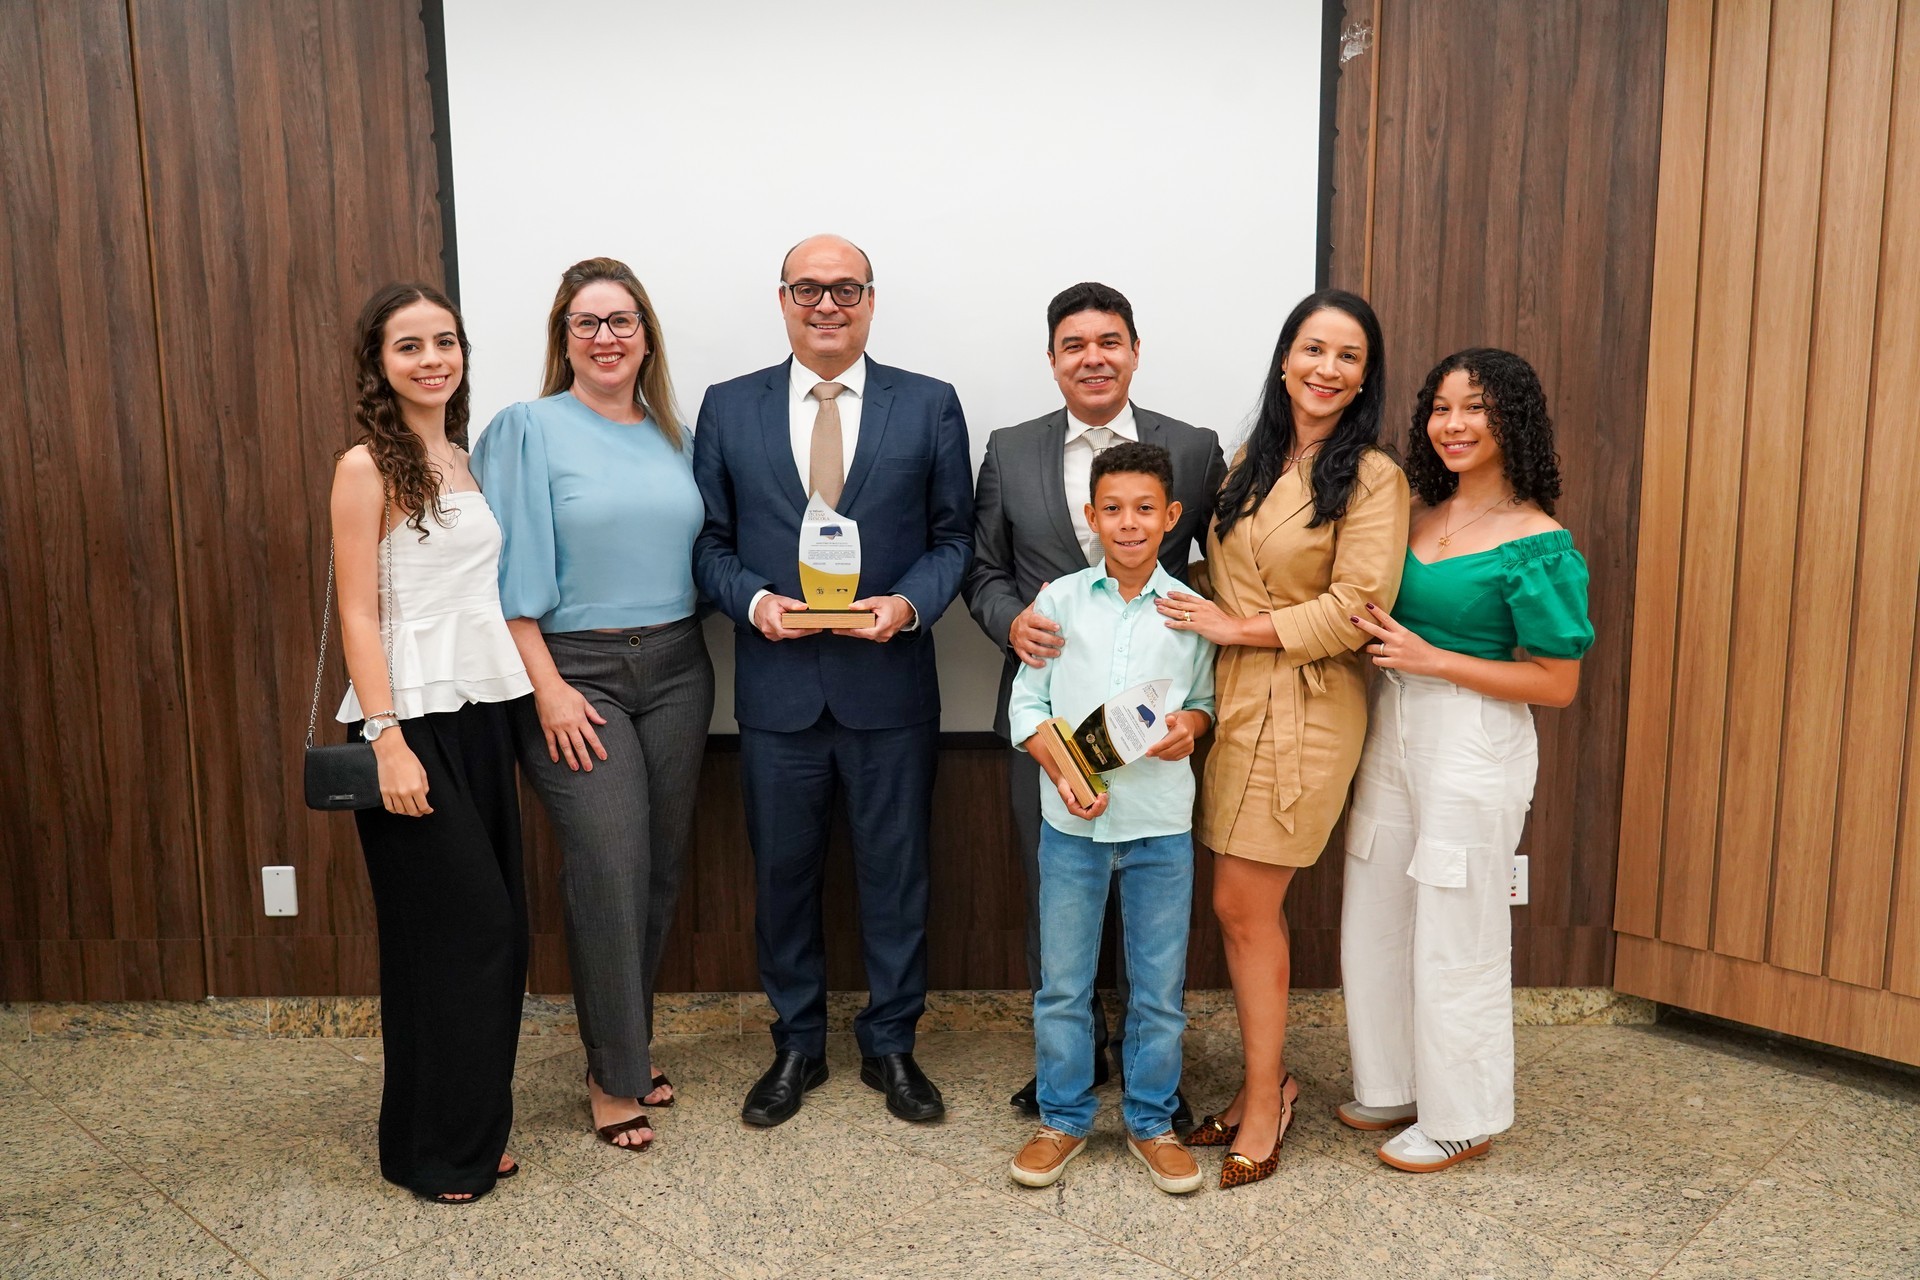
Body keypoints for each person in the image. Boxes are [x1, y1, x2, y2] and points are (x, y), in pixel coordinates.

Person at [692, 234, 973, 1127]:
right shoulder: (727, 407)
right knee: (783, 874)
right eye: (808, 289)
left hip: (889, 687)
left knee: (895, 875)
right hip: (777, 690)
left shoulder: (927, 404)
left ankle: (891, 1045)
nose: (826, 305)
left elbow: (955, 539)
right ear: (781, 299)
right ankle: (797, 1045)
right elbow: (708, 543)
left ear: (870, 300)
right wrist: (752, 605)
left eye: (844, 289)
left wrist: (909, 606)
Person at [1159, 289, 1409, 1189]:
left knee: (1243, 905)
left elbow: (1358, 609)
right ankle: (1269, 1082)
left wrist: (1235, 631)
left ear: (1365, 376)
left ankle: (1266, 1102)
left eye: (1349, 356)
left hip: (1306, 703)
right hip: (1233, 701)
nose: (1327, 369)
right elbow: (1224, 568)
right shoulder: (1250, 460)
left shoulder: (1372, 474)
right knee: (1235, 906)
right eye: (1314, 348)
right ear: (1284, 358)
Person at [964, 283, 1224, 1123]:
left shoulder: (1192, 445)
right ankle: (1068, 1072)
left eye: (1109, 341)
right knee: (1061, 883)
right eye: (1073, 344)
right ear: (1052, 360)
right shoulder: (1009, 448)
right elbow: (983, 571)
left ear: (1135, 350)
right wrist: (1019, 628)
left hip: (1160, 718)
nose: (1093, 357)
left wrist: (1200, 695)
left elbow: (1218, 571)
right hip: (1048, 708)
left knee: (1153, 908)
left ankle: (1150, 1075)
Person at [472, 257, 713, 1153]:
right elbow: (499, 578)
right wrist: (550, 691)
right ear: (563, 339)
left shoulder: (674, 435)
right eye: (587, 323)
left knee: (656, 872)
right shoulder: (526, 429)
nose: (606, 337)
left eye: (622, 321)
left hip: (683, 667)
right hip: (575, 672)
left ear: (646, 336)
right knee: (609, 867)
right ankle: (614, 1079)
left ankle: (624, 1045)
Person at [1341, 348, 1591, 1171]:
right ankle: (1394, 1082)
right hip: (1392, 721)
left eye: (1473, 408)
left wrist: (1435, 660)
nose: (1452, 424)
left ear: (1510, 418)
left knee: (1458, 922)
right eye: (1441, 408)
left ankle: (1463, 1116)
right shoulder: (1416, 516)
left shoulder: (1537, 541)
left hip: (1474, 736)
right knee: (1375, 901)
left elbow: (1556, 683)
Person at [330, 282, 533, 1202]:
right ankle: (441, 1150)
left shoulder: (460, 456)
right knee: (462, 937)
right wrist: (386, 739)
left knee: (491, 935)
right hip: (406, 721)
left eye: (444, 341)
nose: (431, 360)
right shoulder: (365, 465)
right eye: (408, 346)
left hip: (482, 711)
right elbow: (358, 613)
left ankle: (461, 1131)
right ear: (380, 363)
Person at [1004, 442, 1216, 1195]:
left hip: (1160, 826)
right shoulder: (1058, 600)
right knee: (1064, 984)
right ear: (1091, 517)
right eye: (1114, 510)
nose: (1130, 524)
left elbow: (1204, 704)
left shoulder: (1188, 611)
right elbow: (1027, 708)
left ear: (1172, 517)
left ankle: (1152, 1123)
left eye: (1146, 509)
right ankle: (1062, 1119)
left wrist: (1189, 728)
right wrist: (1064, 775)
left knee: (1158, 988)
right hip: (1072, 830)